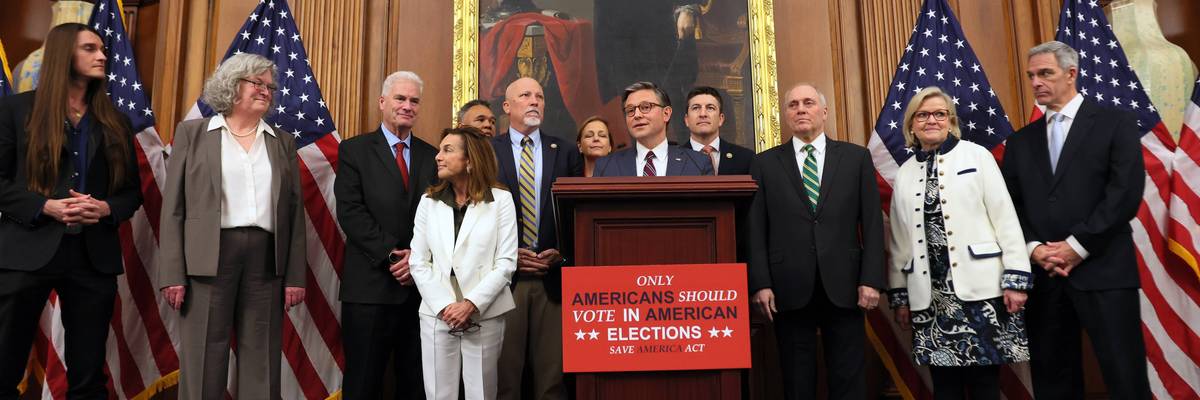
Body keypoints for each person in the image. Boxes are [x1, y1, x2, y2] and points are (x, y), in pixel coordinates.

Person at [0, 23, 142, 399]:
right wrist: (43, 205)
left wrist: (104, 208)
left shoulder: (115, 120)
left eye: (103, 50)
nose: (103, 56)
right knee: (3, 366)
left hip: (92, 257)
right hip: (24, 252)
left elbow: (131, 193)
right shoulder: (15, 110)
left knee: (88, 376)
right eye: (90, 49)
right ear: (66, 54)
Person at [1002, 41, 1149, 399]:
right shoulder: (1020, 142)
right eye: (1031, 75)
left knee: (1124, 375)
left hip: (1105, 271)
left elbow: (1125, 193)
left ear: (1071, 74)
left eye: (1045, 73)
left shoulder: (1115, 123)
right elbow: (1010, 207)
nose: (1036, 82)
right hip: (1045, 276)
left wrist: (1076, 246)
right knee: (1053, 381)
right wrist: (1035, 249)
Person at [158, 53, 306, 400]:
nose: (266, 90)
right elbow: (173, 209)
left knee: (262, 359)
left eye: (270, 86)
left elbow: (295, 215)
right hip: (208, 258)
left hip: (266, 262)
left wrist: (295, 277)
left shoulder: (281, 141)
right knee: (203, 358)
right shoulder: (193, 133)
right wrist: (173, 273)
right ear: (232, 84)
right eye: (257, 83)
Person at [886, 87, 1031, 400]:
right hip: (930, 297)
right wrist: (899, 296)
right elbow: (900, 241)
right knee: (945, 388)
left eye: (940, 114)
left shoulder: (977, 156)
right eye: (922, 115)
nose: (932, 120)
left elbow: (1005, 218)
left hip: (981, 293)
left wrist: (1016, 278)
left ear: (951, 121)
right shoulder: (906, 173)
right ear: (911, 124)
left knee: (985, 386)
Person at [747, 83, 884, 400]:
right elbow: (756, 228)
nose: (800, 109)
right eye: (793, 104)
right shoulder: (765, 164)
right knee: (797, 380)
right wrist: (761, 283)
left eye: (808, 103)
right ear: (786, 115)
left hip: (847, 284)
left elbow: (874, 225)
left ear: (823, 112)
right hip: (788, 286)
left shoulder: (855, 158)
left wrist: (871, 279)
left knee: (849, 378)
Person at [334, 71, 436, 400]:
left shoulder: (431, 156)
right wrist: (394, 256)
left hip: (420, 291)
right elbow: (351, 213)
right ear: (382, 102)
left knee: (416, 384)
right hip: (369, 289)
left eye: (414, 101)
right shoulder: (355, 150)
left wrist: (416, 261)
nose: (407, 106)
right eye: (400, 98)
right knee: (363, 383)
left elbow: (439, 218)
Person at [410, 126, 517, 400]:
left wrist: (470, 304)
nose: (438, 156)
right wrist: (447, 306)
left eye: (448, 150)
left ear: (470, 160)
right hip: (437, 311)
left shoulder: (501, 200)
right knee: (438, 394)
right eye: (439, 149)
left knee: (481, 393)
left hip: (485, 311)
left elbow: (506, 263)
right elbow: (418, 261)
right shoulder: (428, 202)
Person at [492, 77, 580, 400]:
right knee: (504, 379)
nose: (534, 101)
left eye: (539, 96)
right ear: (507, 106)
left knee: (552, 380)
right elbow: (475, 215)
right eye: (525, 95)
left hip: (551, 279)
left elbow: (575, 214)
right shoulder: (489, 151)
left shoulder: (566, 150)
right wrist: (506, 255)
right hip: (503, 280)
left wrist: (563, 254)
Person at [593, 81, 712, 176]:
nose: (637, 115)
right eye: (630, 110)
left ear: (666, 113)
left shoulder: (698, 163)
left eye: (645, 107)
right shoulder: (606, 166)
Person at [683, 86, 753, 175]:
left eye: (710, 108)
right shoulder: (672, 160)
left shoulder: (745, 158)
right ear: (687, 120)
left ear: (721, 119)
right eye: (696, 108)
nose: (703, 114)